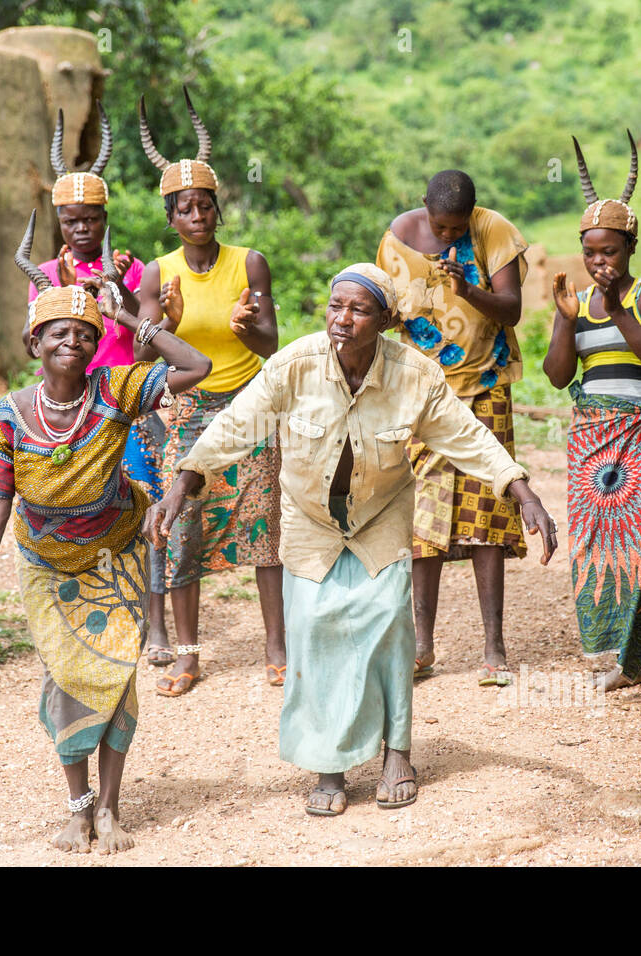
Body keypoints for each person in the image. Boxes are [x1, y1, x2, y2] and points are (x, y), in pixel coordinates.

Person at [147, 264, 556, 815]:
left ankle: (396, 753)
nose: (342, 319)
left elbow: (465, 435)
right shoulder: (295, 364)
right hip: (310, 518)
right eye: (336, 306)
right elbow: (237, 425)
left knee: (388, 625)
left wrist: (521, 489)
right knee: (314, 631)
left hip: (381, 513)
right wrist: (182, 484)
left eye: (359, 310)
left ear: (385, 321)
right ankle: (330, 765)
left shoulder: (415, 374)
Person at [0, 214, 210, 853]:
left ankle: (109, 810)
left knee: (115, 676)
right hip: (46, 563)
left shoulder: (119, 386)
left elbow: (199, 366)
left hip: (117, 556)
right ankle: (76, 809)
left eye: (82, 332)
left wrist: (131, 321)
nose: (71, 342)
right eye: (57, 333)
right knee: (67, 679)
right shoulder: (9, 414)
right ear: (35, 341)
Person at [136, 88, 286, 694]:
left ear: (217, 210)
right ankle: (190, 655)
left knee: (265, 527)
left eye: (205, 206)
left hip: (250, 407)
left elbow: (273, 345)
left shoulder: (249, 263)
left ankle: (278, 648)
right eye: (185, 209)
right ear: (171, 217)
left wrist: (248, 330)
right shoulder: (156, 272)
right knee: (183, 529)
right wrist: (167, 323)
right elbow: (145, 353)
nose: (197, 216)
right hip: (186, 412)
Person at [542, 132, 641, 699]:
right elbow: (559, 376)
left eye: (608, 252)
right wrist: (565, 319)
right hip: (595, 440)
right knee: (605, 547)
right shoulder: (576, 301)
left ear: (630, 247)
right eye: (590, 253)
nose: (598, 261)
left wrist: (613, 306)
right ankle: (626, 660)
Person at [21, 105, 175, 664]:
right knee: (82, 508)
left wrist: (120, 291)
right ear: (60, 222)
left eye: (91, 220)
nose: (82, 229)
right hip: (71, 411)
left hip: (124, 403)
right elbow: (27, 338)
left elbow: (146, 335)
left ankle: (156, 624)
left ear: (104, 218)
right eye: (71, 221)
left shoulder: (131, 269)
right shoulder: (44, 274)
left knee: (148, 505)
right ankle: (99, 615)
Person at [376, 169, 530, 685]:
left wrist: (469, 290)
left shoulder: (494, 233)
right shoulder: (396, 241)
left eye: (457, 227)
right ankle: (422, 646)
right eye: (441, 227)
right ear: (424, 207)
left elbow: (511, 309)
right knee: (423, 525)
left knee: (489, 514)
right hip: (420, 397)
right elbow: (385, 314)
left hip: (485, 387)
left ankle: (494, 647)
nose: (449, 236)